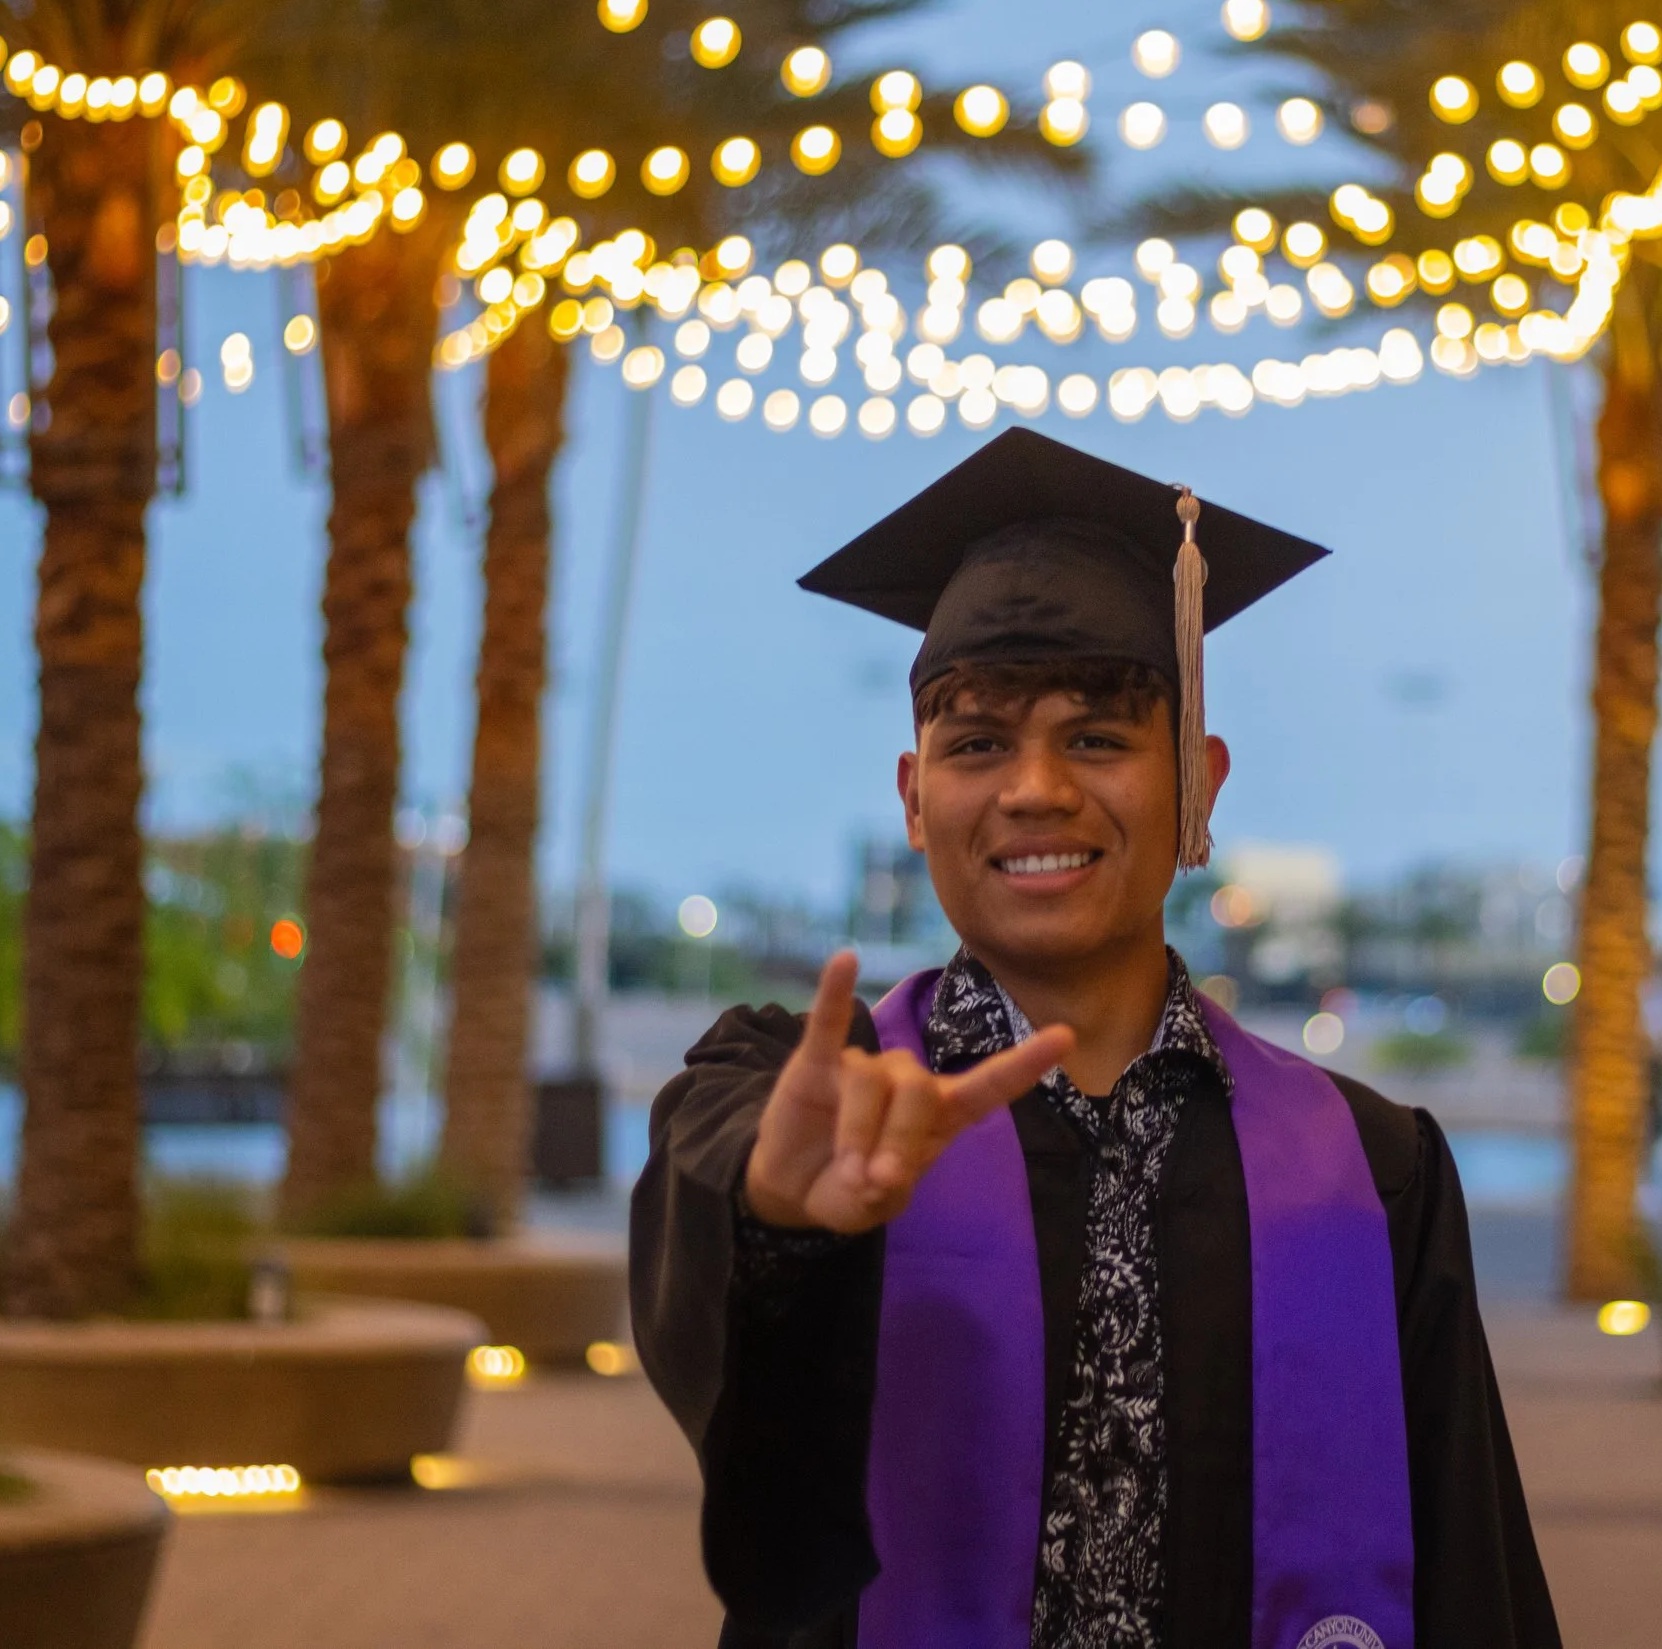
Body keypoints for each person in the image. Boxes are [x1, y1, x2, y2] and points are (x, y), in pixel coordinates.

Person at [630, 428, 1560, 1649]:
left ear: (1198, 784)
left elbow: (1465, 1568)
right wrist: (781, 1217)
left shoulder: (1368, 1170)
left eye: (1098, 737)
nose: (1035, 789)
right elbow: (737, 1361)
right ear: (913, 797)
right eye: (977, 743)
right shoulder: (818, 1099)